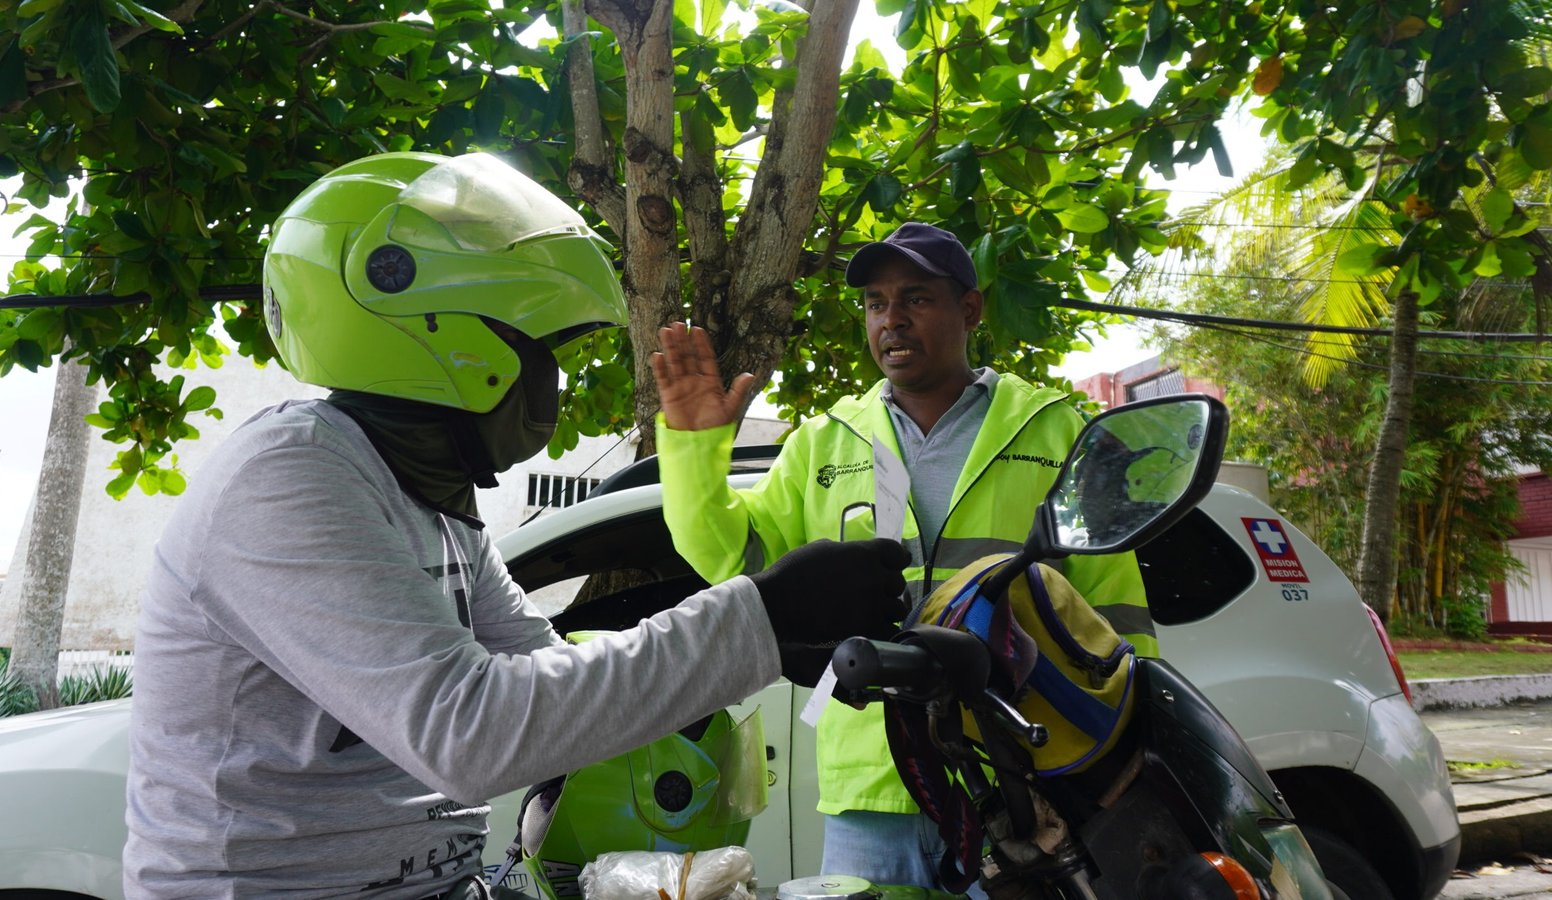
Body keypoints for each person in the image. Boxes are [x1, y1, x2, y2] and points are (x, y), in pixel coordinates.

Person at [121, 151, 911, 900]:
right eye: (540, 348)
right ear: (442, 333)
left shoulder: (431, 499)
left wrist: (765, 651)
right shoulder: (291, 478)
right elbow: (472, 732)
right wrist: (761, 617)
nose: (550, 380)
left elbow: (546, 670)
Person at [651, 222, 1151, 892]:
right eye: (875, 304)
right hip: (872, 786)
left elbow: (1115, 613)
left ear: (969, 309)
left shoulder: (1059, 431)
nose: (892, 321)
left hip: (1025, 780)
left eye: (916, 299)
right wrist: (691, 451)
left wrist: (1124, 758)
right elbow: (733, 559)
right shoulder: (823, 443)